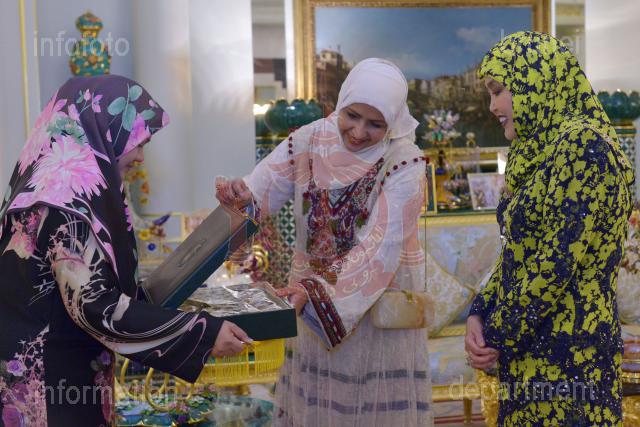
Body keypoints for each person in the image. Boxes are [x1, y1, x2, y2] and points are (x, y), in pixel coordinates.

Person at [0, 75, 250, 426]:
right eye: (138, 143)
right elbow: (95, 306)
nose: (141, 158)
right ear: (105, 129)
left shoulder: (48, 186)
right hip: (51, 387)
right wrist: (202, 333)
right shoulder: (65, 205)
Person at [217, 58, 432, 426]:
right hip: (310, 306)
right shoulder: (311, 138)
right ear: (341, 103)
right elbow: (262, 190)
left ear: (393, 121)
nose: (358, 132)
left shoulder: (404, 161)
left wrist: (313, 292)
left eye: (375, 124)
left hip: (376, 308)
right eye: (352, 115)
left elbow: (380, 246)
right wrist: (241, 196)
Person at [464, 32, 635, 426]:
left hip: (572, 357)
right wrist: (480, 311)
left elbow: (555, 264)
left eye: (498, 90)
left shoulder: (584, 148)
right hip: (528, 350)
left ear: (536, 82)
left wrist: (495, 333)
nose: (492, 106)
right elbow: (517, 253)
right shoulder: (537, 151)